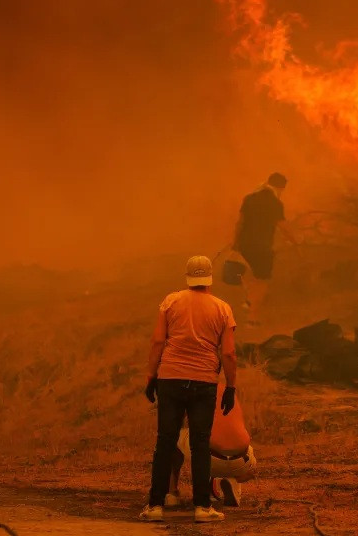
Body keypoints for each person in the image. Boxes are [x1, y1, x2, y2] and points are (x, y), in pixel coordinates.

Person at [140, 255, 238, 523]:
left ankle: (155, 506)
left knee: (165, 441)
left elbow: (158, 341)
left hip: (170, 379)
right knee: (199, 444)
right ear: (209, 278)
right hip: (204, 381)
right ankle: (202, 507)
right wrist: (230, 387)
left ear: (188, 276)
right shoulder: (222, 308)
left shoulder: (171, 301)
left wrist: (151, 376)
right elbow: (228, 353)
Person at [166, 383, 256, 508]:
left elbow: (176, 421)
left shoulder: (191, 387)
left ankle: (171, 493)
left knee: (173, 436)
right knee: (228, 444)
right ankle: (231, 480)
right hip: (242, 462)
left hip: (209, 459)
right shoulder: (227, 389)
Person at [232, 172, 293, 324]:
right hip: (263, 246)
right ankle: (252, 317)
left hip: (245, 245)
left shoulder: (249, 198)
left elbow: (240, 223)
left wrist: (235, 243)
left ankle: (248, 301)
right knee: (262, 281)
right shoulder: (275, 203)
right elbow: (283, 226)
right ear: (280, 188)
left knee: (251, 275)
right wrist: (296, 240)